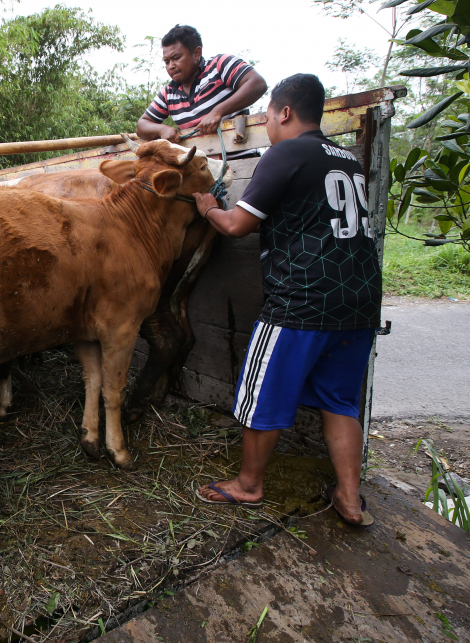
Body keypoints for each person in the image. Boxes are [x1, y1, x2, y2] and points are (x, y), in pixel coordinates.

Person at [191, 74, 382, 527]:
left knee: (261, 393)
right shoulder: (347, 159)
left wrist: (207, 210)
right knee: (339, 400)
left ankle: (249, 485)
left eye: (269, 115)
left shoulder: (286, 153)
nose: (269, 125)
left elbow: (237, 224)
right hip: (358, 300)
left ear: (285, 112)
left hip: (302, 301)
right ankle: (350, 498)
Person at [136, 24, 267, 142]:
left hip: (241, 159)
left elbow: (257, 84)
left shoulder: (219, 65)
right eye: (166, 61)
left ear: (197, 53)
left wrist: (217, 112)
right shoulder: (168, 93)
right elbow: (142, 125)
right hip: (199, 167)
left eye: (176, 58)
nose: (171, 66)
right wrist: (162, 129)